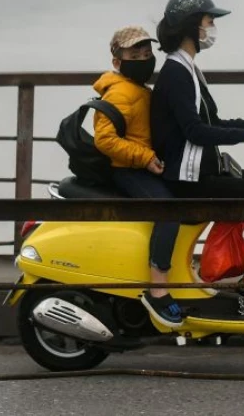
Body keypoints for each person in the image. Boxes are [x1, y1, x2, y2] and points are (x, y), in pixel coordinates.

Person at [149, 0, 244, 316]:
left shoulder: (187, 68)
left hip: (205, 171)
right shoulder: (176, 73)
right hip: (189, 181)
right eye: (208, 20)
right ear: (190, 26)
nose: (212, 26)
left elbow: (211, 121)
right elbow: (196, 132)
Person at [92, 25, 184, 328]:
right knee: (167, 211)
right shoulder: (120, 92)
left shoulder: (138, 89)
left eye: (147, 54)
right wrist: (145, 159)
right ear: (117, 61)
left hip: (144, 165)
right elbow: (104, 140)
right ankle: (158, 290)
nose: (144, 59)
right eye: (135, 55)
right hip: (128, 171)